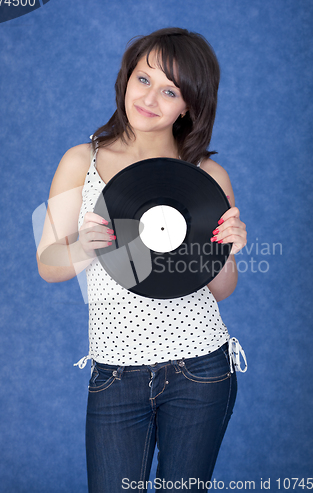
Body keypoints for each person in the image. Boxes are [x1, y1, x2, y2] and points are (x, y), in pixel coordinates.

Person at [36, 27, 247, 493]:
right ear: (126, 80)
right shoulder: (81, 160)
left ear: (189, 105)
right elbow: (49, 264)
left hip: (200, 369)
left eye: (170, 90)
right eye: (143, 79)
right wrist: (87, 246)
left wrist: (225, 250)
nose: (150, 98)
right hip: (114, 372)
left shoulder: (207, 175)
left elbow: (223, 287)